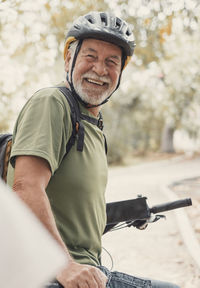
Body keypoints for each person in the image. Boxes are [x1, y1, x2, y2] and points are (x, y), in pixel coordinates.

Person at [7, 11, 180, 288]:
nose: (100, 69)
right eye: (90, 57)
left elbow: (73, 214)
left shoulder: (92, 127)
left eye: (111, 62)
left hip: (84, 270)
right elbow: (26, 187)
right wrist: (63, 265)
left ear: (120, 72)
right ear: (68, 59)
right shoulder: (52, 102)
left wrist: (129, 213)